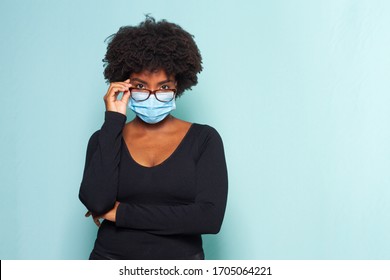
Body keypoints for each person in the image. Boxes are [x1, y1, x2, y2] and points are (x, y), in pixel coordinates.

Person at [79, 16, 228, 260]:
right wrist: (113, 120)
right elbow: (96, 202)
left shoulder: (204, 139)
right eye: (140, 85)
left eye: (163, 87)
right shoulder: (104, 138)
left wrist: (121, 214)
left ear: (177, 86)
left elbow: (209, 219)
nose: (152, 95)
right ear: (124, 85)